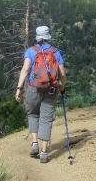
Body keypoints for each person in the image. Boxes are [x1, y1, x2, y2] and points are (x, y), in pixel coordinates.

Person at [15, 26, 66, 163]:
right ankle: (44, 152)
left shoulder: (31, 51)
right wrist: (62, 88)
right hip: (51, 89)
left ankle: (34, 144)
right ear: (48, 36)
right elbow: (62, 74)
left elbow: (25, 70)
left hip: (34, 89)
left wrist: (19, 87)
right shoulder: (55, 52)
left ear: (37, 36)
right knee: (46, 118)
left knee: (33, 113)